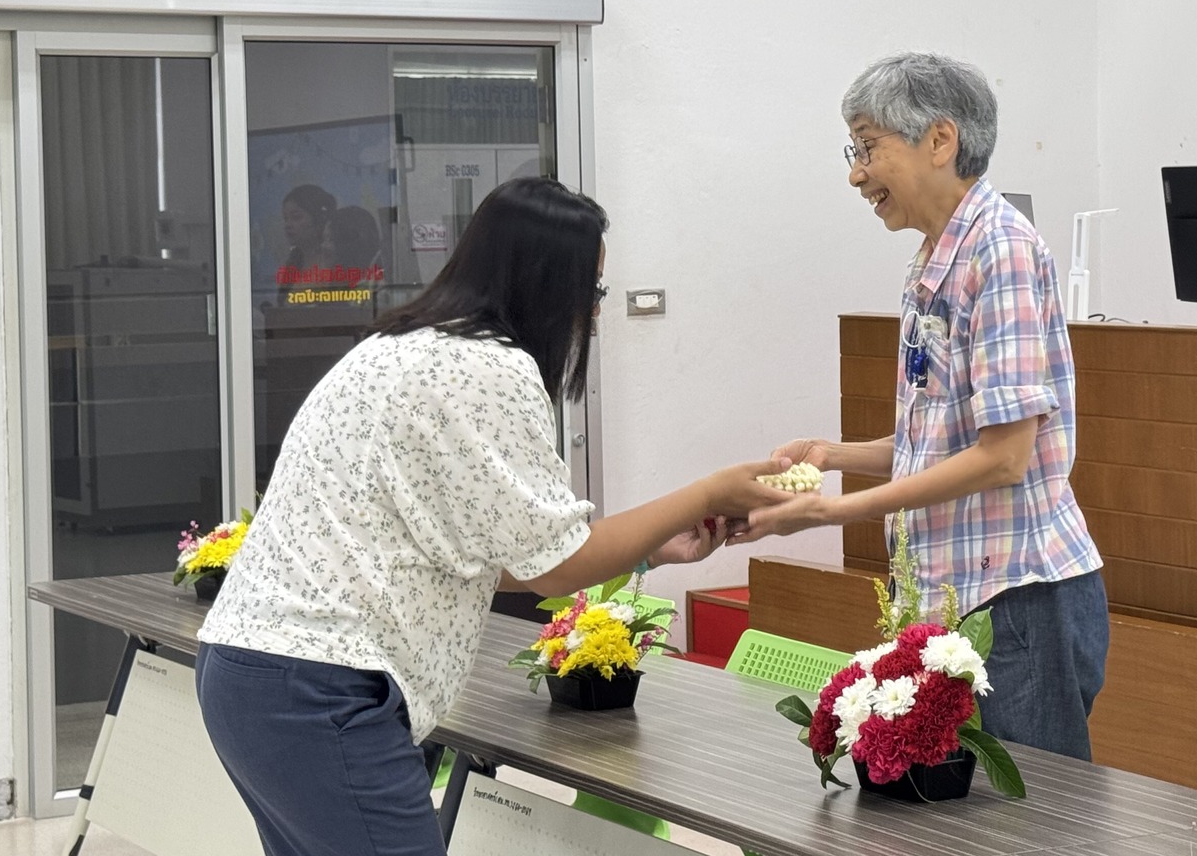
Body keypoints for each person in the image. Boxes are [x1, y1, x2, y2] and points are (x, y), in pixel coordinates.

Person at [196, 177, 790, 856]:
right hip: (320, 688)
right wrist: (709, 493)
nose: (595, 315)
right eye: (592, 291)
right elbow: (557, 566)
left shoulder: (402, 346)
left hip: (253, 673)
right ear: (548, 283)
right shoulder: (487, 369)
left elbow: (485, 556)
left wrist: (652, 549)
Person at [733, 52, 1109, 760]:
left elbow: (1004, 458)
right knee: (953, 807)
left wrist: (835, 511)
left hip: (1016, 599)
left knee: (1033, 813)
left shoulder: (1000, 250)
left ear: (939, 140)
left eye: (867, 147)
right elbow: (938, 437)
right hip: (949, 593)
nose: (855, 174)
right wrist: (833, 455)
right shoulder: (934, 257)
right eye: (852, 151)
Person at [277, 183, 337, 289]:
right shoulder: (292, 264)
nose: (287, 225)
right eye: (286, 218)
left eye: (296, 217)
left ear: (318, 219)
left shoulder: (333, 263)